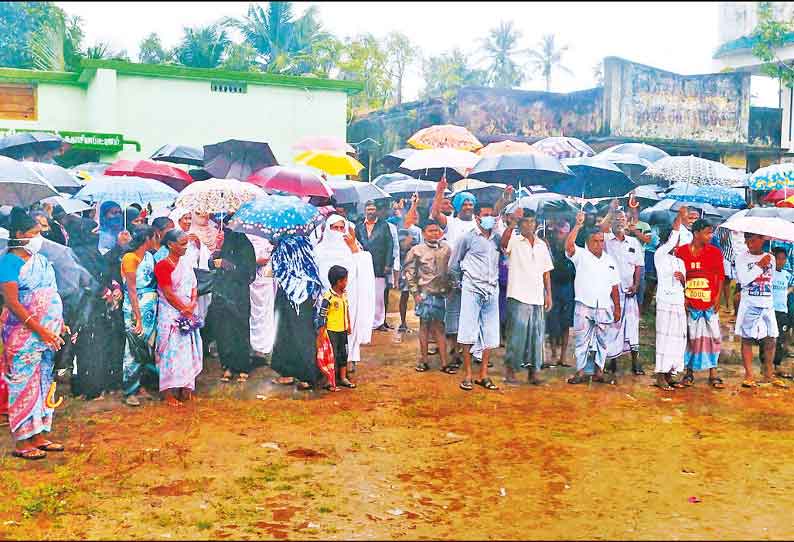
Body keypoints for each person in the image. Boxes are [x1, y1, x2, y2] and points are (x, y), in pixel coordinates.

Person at [0, 208, 66, 459]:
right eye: (34, 233)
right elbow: (14, 304)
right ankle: (22, 441)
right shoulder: (8, 263)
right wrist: (41, 330)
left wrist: (58, 323)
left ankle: (39, 433)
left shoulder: (41, 261)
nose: (40, 237)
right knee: (23, 384)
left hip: (48, 334)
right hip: (23, 334)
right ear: (19, 234)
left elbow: (50, 293)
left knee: (43, 382)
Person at [314, 214, 376, 375]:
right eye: (335, 228)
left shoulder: (353, 247)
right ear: (328, 229)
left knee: (349, 327)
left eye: (342, 228)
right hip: (326, 297)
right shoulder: (319, 250)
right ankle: (327, 361)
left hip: (349, 296)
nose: (339, 231)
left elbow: (362, 269)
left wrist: (353, 248)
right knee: (327, 329)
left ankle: (349, 359)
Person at [449, 206, 501, 392]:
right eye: (486, 215)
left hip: (492, 289)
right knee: (467, 331)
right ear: (477, 217)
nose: (489, 219)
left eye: (491, 216)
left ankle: (484, 374)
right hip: (472, 288)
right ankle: (468, 374)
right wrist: (460, 284)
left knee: (490, 333)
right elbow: (453, 264)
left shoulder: (497, 238)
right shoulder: (467, 237)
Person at [565, 212, 621, 385]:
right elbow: (569, 246)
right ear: (588, 241)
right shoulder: (580, 255)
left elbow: (615, 286)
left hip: (604, 305)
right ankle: (580, 372)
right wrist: (578, 225)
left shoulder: (609, 260)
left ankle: (599, 371)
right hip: (584, 304)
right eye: (595, 241)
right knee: (581, 340)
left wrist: (617, 307)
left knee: (603, 342)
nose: (599, 244)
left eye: (601, 241)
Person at [501, 211, 553, 385]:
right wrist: (512, 223)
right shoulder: (514, 241)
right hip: (518, 294)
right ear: (520, 224)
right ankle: (511, 371)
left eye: (532, 221)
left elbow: (546, 273)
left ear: (536, 224)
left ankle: (534, 373)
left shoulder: (541, 244)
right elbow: (503, 244)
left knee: (536, 337)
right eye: (525, 222)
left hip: (537, 296)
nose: (529, 225)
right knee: (517, 336)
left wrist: (548, 295)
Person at [430, 178, 478, 368]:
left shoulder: (479, 223)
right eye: (464, 204)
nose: (468, 207)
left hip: (474, 275)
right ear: (458, 206)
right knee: (453, 312)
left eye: (470, 203)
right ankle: (453, 349)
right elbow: (435, 213)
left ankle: (470, 350)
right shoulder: (451, 222)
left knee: (471, 313)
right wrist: (439, 191)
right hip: (453, 275)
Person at [153, 230, 202, 406]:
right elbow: (168, 293)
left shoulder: (186, 263)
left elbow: (194, 286)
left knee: (188, 350)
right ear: (170, 245)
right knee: (170, 352)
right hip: (171, 314)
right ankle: (168, 393)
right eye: (181, 244)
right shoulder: (162, 266)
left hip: (188, 311)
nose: (185, 247)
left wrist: (192, 304)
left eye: (186, 243)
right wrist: (184, 308)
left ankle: (186, 387)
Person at [676, 219, 725, 389]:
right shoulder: (681, 252)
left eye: (711, 232)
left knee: (713, 337)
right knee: (691, 338)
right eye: (707, 232)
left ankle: (713, 373)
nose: (710, 236)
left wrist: (718, 297)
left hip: (709, 303)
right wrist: (683, 297)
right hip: (690, 303)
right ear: (696, 233)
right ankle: (688, 373)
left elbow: (720, 276)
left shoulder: (715, 252)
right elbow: (678, 277)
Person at [271, 236, 324, 390]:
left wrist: (274, 253)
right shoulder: (306, 243)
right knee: (299, 332)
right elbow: (313, 270)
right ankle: (302, 374)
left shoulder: (283, 245)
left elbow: (278, 270)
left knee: (288, 333)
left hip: (291, 295)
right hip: (305, 294)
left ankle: (304, 375)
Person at [735, 233, 787, 388]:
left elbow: (770, 280)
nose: (749, 244)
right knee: (747, 338)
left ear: (762, 239)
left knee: (771, 338)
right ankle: (749, 375)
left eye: (753, 240)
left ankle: (768, 374)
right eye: (747, 240)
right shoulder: (741, 258)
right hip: (749, 303)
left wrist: (765, 262)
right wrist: (759, 266)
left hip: (767, 303)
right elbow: (743, 280)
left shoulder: (770, 257)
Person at [207, 223, 257, 383]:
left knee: (239, 330)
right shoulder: (221, 247)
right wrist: (216, 253)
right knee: (223, 331)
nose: (223, 233)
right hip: (221, 295)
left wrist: (229, 266)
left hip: (238, 296)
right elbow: (210, 267)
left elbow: (249, 274)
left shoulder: (245, 247)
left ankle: (242, 366)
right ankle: (227, 366)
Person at [404, 219, 452, 373]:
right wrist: (415, 293)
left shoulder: (446, 249)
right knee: (424, 325)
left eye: (437, 230)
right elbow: (409, 273)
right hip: (424, 294)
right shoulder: (416, 250)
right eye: (430, 230)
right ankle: (424, 360)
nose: (434, 233)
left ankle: (445, 363)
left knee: (440, 327)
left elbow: (451, 270)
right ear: (424, 233)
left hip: (441, 294)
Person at [120, 227, 159, 407]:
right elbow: (132, 290)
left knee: (145, 347)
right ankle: (130, 390)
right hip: (135, 307)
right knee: (133, 347)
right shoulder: (130, 258)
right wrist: (138, 316)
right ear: (147, 239)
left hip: (150, 306)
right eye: (154, 238)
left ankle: (141, 385)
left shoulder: (150, 257)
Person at [604, 210, 645, 375]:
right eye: (616, 219)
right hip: (612, 293)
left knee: (632, 326)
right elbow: (602, 226)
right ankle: (612, 361)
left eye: (622, 218)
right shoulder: (606, 241)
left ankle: (635, 362)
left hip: (630, 292)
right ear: (611, 222)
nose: (620, 221)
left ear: (627, 221)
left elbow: (638, 266)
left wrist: (636, 285)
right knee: (613, 327)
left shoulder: (633, 242)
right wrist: (610, 210)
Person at [653, 209, 688, 390]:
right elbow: (674, 238)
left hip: (678, 302)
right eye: (676, 237)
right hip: (665, 302)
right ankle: (660, 376)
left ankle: (670, 374)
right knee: (664, 339)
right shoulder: (659, 255)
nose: (679, 241)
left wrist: (683, 279)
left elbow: (685, 283)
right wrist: (680, 217)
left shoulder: (680, 261)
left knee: (678, 339)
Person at [355, 200, 393, 331]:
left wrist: (388, 264)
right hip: (363, 266)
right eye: (368, 209)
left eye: (373, 209)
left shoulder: (384, 226)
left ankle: (379, 322)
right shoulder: (359, 226)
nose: (371, 212)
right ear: (365, 211)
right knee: (364, 294)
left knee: (378, 296)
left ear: (376, 211)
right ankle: (366, 321)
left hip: (379, 265)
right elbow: (355, 244)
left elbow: (390, 245)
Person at [319, 265, 356, 389]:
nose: (347, 282)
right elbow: (322, 315)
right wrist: (321, 331)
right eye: (345, 280)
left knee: (343, 354)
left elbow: (346, 310)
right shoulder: (328, 297)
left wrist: (349, 324)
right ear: (338, 282)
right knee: (332, 355)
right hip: (331, 331)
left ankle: (343, 378)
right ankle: (330, 381)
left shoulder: (344, 294)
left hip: (343, 330)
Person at [546, 219, 575, 367]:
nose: (559, 234)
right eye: (557, 232)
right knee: (552, 322)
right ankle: (553, 354)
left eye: (562, 232)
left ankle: (563, 356)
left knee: (565, 323)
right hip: (553, 285)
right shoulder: (548, 243)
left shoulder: (571, 245)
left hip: (568, 286)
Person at [247, 234, 276, 362]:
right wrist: (254, 261)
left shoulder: (269, 239)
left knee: (266, 313)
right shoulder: (245, 238)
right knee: (252, 314)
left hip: (267, 282)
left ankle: (264, 348)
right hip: (251, 282)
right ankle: (253, 347)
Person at [772, 247, 794, 378]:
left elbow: (792, 285)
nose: (780, 261)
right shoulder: (769, 273)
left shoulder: (787, 274)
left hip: (782, 310)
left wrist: (787, 291)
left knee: (780, 337)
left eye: (783, 259)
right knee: (769, 338)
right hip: (769, 309)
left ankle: (777, 365)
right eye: (778, 258)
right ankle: (767, 364)